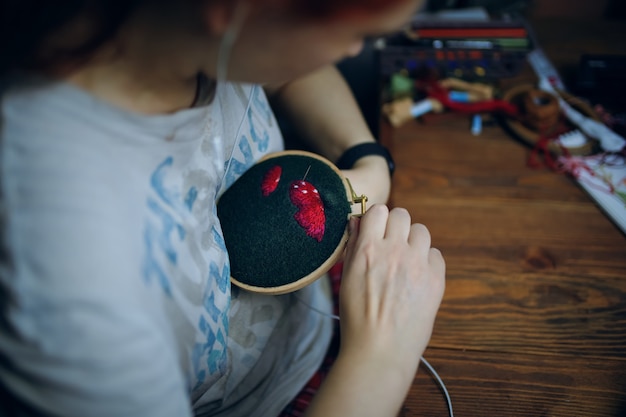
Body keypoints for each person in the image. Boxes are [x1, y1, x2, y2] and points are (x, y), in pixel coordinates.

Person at [0, 0, 446, 416]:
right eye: (354, 32)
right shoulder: (58, 269)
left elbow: (288, 70)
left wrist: (366, 157)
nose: (353, 50)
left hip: (319, 317)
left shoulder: (158, 30)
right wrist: (381, 357)